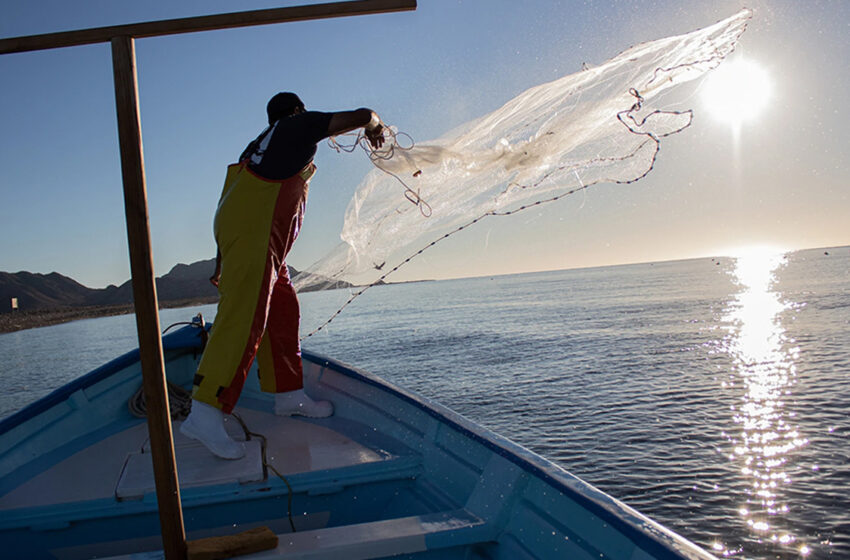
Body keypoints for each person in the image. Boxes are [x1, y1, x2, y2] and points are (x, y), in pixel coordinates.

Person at [180, 92, 385, 459]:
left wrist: (221, 258)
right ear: (296, 111)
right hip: (256, 238)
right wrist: (374, 125)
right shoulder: (295, 126)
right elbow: (360, 114)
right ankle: (205, 413)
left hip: (252, 239)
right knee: (243, 320)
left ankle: (288, 395)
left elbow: (230, 199)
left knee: (283, 310)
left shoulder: (256, 147)